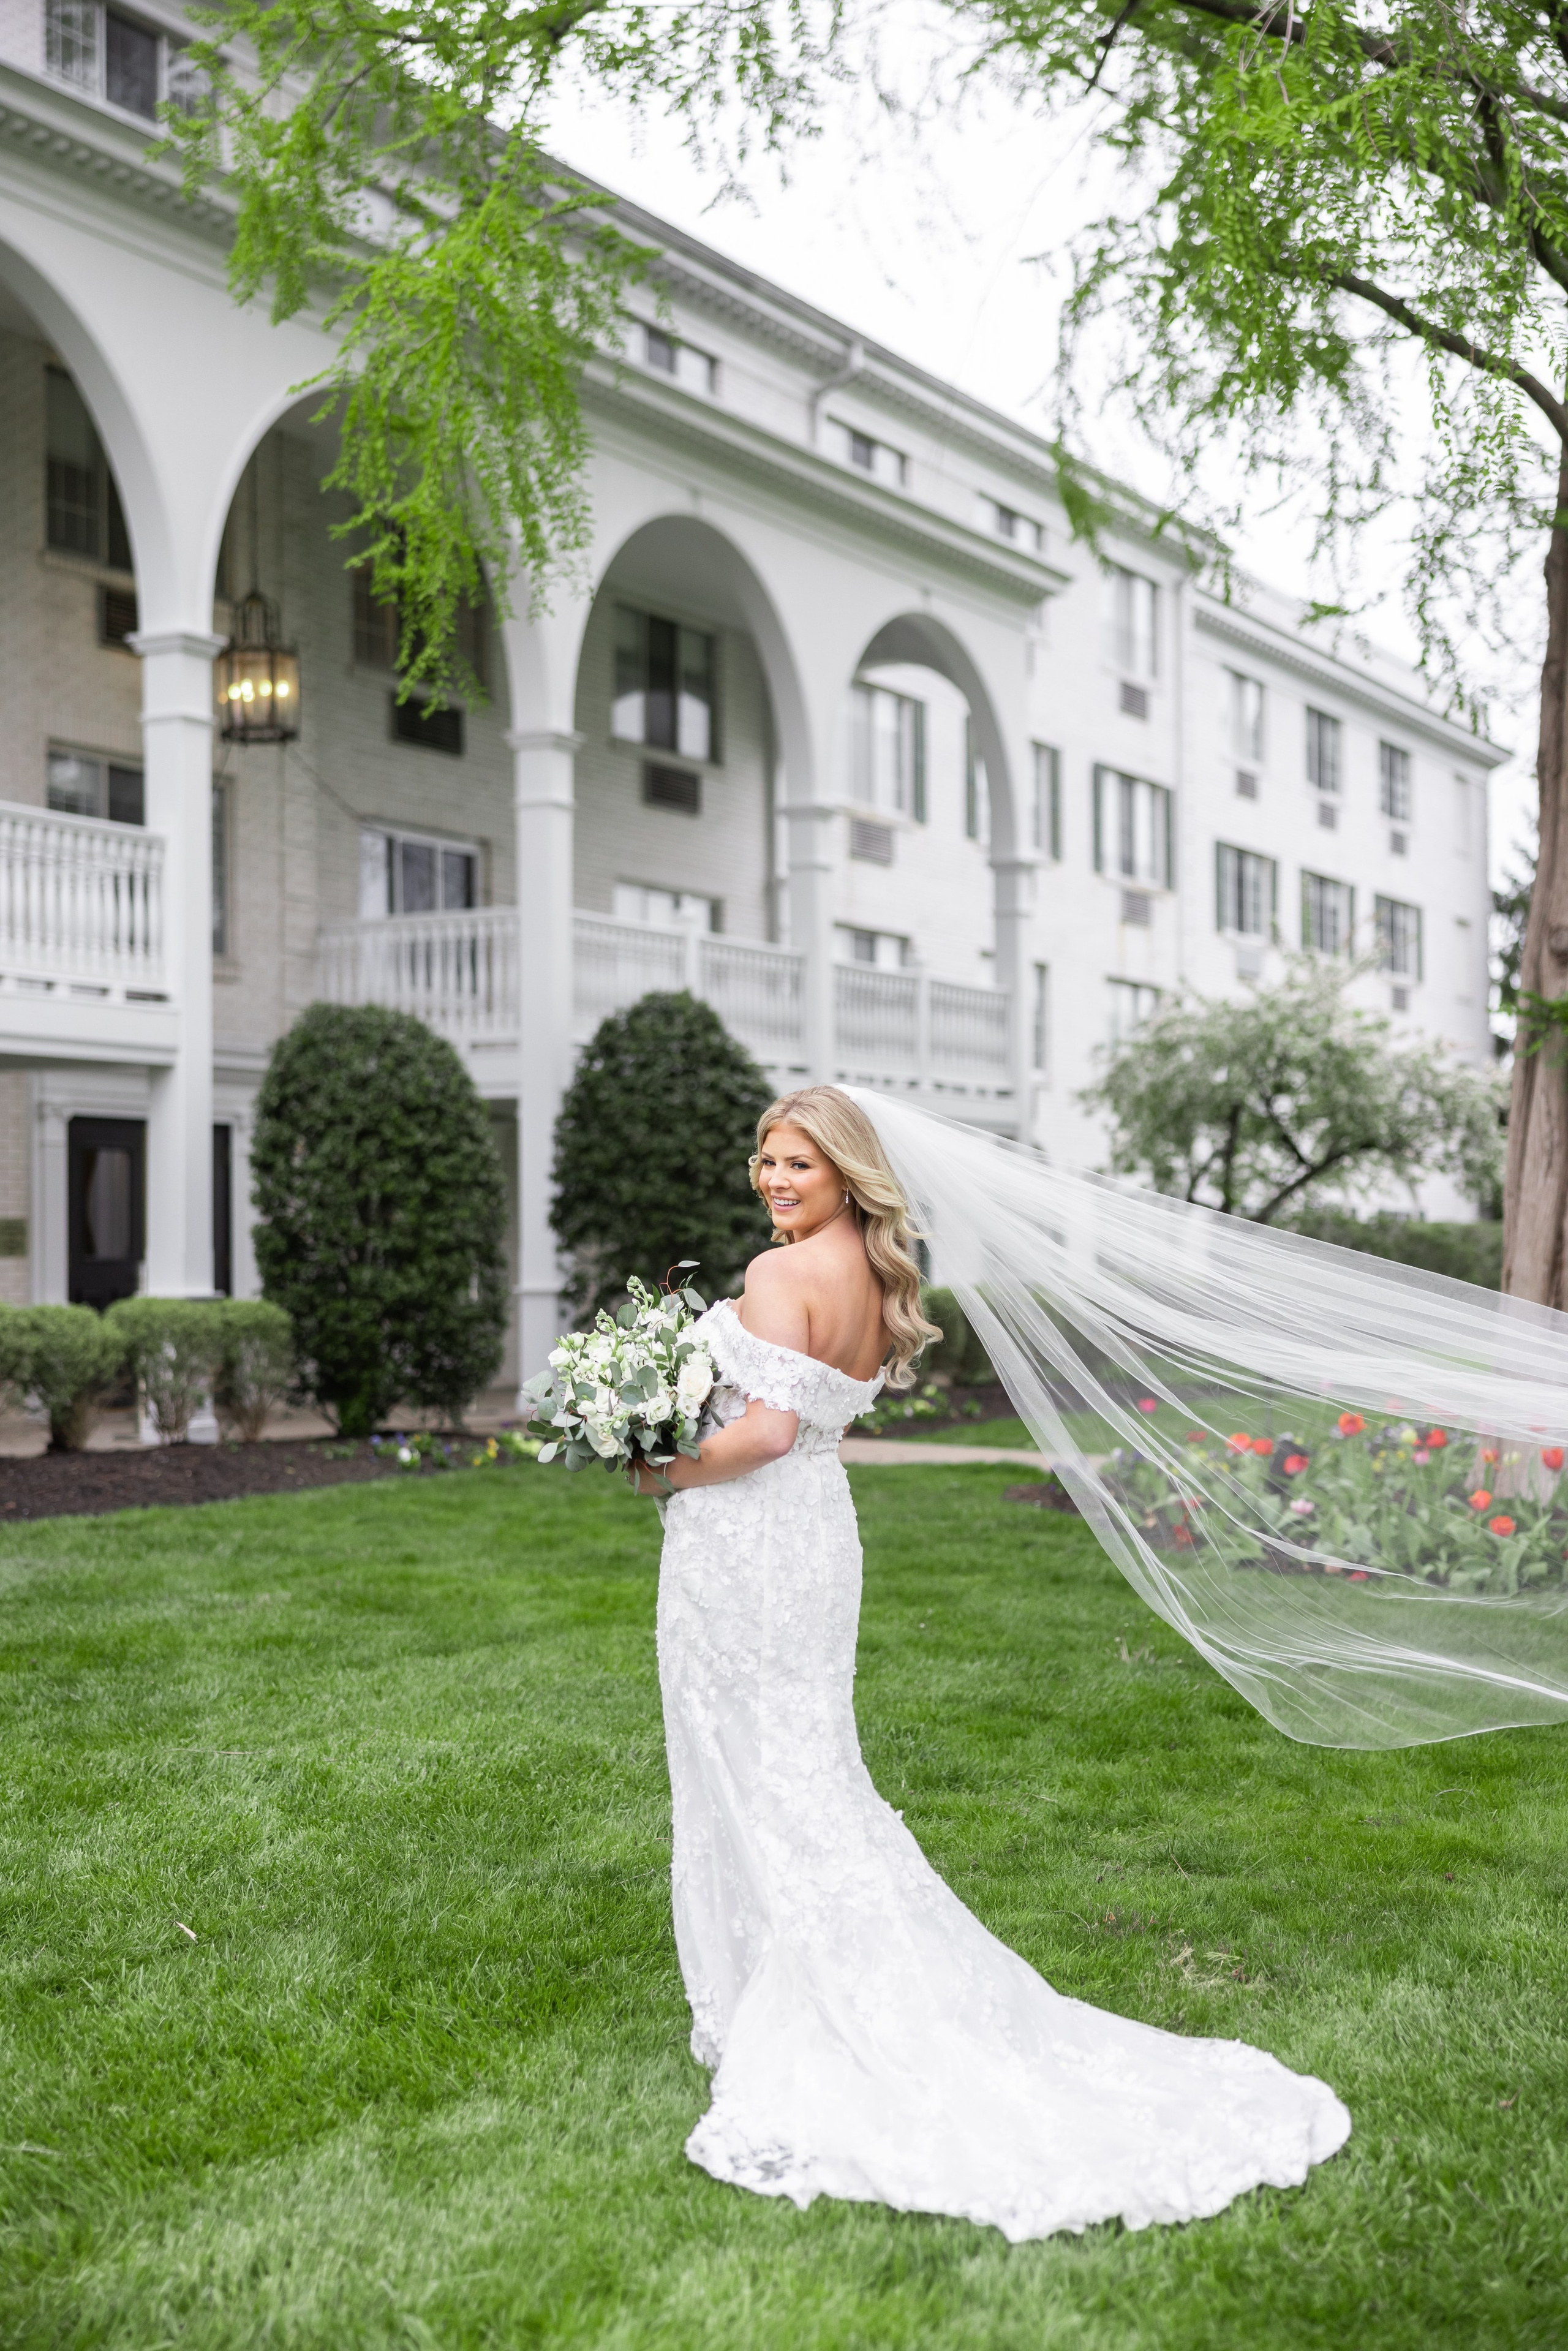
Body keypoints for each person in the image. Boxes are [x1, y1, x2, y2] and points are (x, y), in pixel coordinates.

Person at [638, 1084, 1349, 2241]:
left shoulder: (778, 1275)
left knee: (761, 1765)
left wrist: (658, 1468)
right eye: (765, 1159)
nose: (774, 1179)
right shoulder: (876, 1278)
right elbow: (811, 1422)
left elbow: (763, 1431)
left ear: (846, 1172)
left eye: (798, 1163)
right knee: (806, 1765)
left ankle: (811, 1995)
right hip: (816, 1538)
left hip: (751, 1542)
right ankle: (816, 1967)